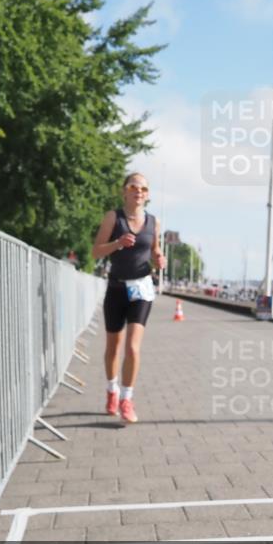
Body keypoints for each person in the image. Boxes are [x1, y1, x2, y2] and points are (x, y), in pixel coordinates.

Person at [91, 172, 166, 424]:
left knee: (133, 347)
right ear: (124, 191)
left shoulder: (153, 222)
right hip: (116, 288)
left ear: (147, 194)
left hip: (142, 290)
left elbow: (155, 250)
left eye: (144, 188)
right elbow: (95, 251)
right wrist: (118, 244)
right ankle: (112, 390)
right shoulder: (114, 217)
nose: (139, 191)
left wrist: (159, 259)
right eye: (134, 187)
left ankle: (126, 399)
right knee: (113, 347)